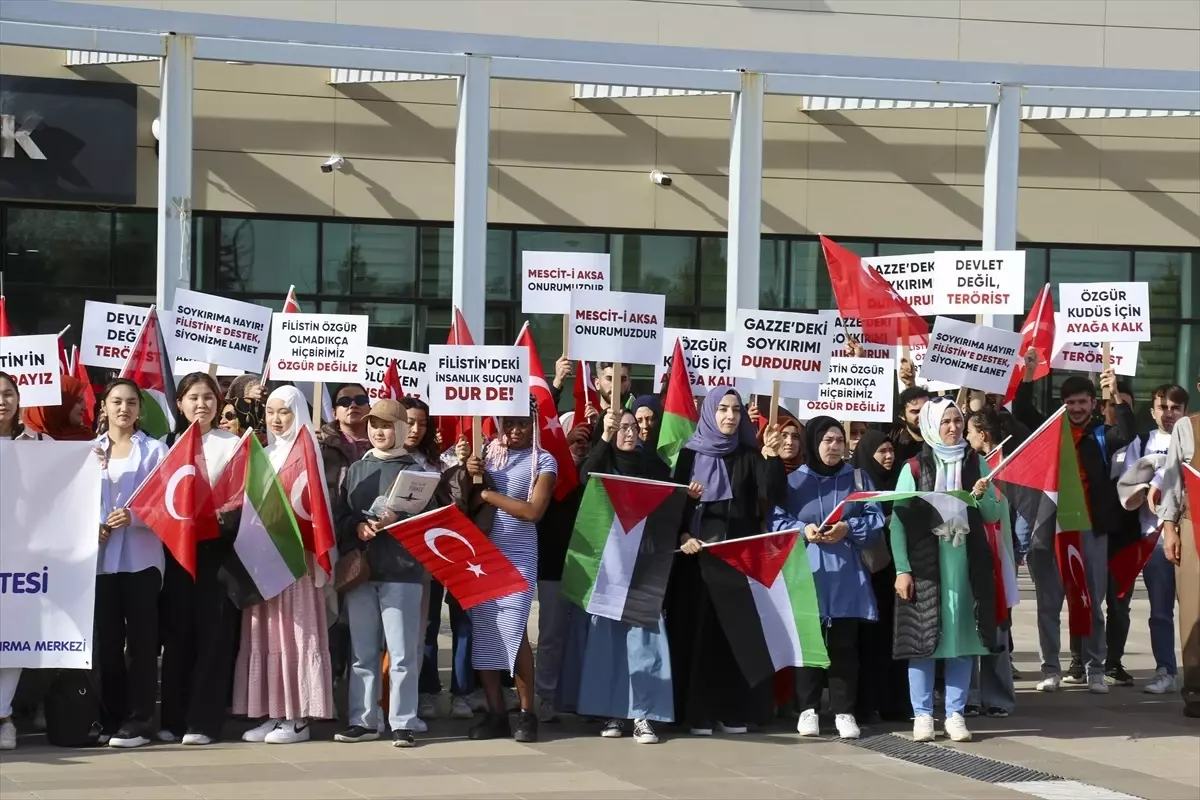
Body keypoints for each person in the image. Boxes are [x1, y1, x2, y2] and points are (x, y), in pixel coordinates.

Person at [558, 408, 696, 744]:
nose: (630, 433)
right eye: (621, 427)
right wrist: (604, 437)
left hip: (646, 567)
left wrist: (687, 502)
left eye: (633, 427)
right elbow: (585, 477)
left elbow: (671, 510)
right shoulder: (600, 463)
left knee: (645, 643)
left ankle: (644, 715)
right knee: (608, 645)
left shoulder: (655, 468)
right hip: (608, 570)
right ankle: (613, 713)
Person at [668, 388, 786, 736]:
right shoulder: (688, 456)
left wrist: (772, 459)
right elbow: (673, 507)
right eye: (722, 409)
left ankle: (730, 710)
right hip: (697, 561)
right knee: (699, 636)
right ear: (708, 413)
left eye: (735, 410)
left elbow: (771, 497)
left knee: (732, 637)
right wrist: (683, 535)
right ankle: (697, 713)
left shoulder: (749, 455)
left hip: (736, 560)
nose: (730, 416)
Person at [891, 398, 1000, 743]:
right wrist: (902, 569)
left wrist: (982, 496)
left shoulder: (976, 463)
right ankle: (922, 715)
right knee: (923, 641)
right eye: (945, 422)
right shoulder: (913, 468)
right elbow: (898, 522)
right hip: (926, 565)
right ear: (930, 427)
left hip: (966, 565)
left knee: (963, 640)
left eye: (957, 420)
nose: (953, 428)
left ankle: (955, 713)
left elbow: (994, 514)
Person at [770, 417, 884, 740]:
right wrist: (802, 531)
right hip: (808, 574)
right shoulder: (794, 482)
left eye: (838, 440)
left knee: (844, 646)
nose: (833, 447)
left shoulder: (858, 479)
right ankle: (808, 708)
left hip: (847, 577)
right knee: (808, 642)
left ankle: (844, 710)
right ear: (813, 443)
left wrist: (848, 528)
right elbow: (777, 522)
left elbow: (874, 519)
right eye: (827, 440)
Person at [234, 386, 334, 744]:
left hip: (296, 560)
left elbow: (314, 508)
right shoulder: (263, 452)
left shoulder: (307, 452)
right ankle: (274, 712)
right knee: (268, 633)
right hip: (264, 559)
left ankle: (299, 717)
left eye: (285, 413)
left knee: (296, 634)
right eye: (271, 412)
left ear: (299, 414)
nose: (276, 419)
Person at [1026, 372, 1135, 695]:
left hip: (1091, 530)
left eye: (1082, 402)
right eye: (1070, 402)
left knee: (1092, 602)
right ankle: (1050, 670)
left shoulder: (1101, 434)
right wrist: (1030, 374)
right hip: (1052, 530)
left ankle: (1096, 670)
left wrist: (1115, 394)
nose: (1076, 408)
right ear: (1063, 405)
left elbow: (1127, 432)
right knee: (1048, 604)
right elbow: (1021, 414)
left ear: (1093, 404)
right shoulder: (1049, 434)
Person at [333, 399, 432, 747]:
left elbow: (432, 521)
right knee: (362, 650)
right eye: (374, 424)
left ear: (402, 429)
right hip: (362, 571)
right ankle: (363, 720)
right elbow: (340, 515)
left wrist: (399, 520)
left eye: (387, 425)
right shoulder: (357, 468)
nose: (378, 431)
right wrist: (357, 526)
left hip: (403, 571)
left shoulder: (418, 472)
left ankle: (402, 720)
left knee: (403, 651)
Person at [464, 395, 557, 742]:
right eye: (509, 422)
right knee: (485, 634)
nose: (515, 429)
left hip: (518, 556)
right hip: (481, 558)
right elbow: (465, 503)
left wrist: (488, 495)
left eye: (522, 422)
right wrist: (468, 474)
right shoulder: (485, 454)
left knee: (514, 634)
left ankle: (526, 713)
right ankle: (495, 713)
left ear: (533, 423)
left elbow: (533, 511)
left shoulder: (543, 460)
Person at [158, 372, 242, 745]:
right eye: (193, 397)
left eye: (208, 397)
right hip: (174, 552)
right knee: (177, 635)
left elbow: (242, 498)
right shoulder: (165, 445)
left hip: (217, 552)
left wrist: (214, 515)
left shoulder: (233, 445)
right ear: (179, 403)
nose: (201, 404)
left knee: (214, 636)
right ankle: (172, 719)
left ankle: (203, 722)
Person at [92, 379, 169, 749]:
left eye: (131, 403)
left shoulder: (156, 451)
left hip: (141, 559)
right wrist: (90, 526)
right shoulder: (88, 452)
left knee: (141, 643)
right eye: (116, 402)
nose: (124, 409)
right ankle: (110, 716)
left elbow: (169, 503)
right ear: (103, 406)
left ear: (140, 409)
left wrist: (135, 515)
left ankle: (139, 720)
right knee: (107, 643)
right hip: (101, 562)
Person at [411, 397, 479, 721]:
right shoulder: (395, 458)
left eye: (422, 422)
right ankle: (426, 690)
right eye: (409, 421)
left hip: (455, 549)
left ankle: (462, 693)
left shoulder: (443, 459)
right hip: (419, 556)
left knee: (463, 624)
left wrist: (461, 468)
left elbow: (459, 501)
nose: (415, 428)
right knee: (427, 624)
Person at [1127, 384, 1189, 696]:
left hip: (1191, 535)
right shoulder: (1142, 443)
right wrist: (1147, 484)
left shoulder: (1193, 437)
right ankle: (1165, 670)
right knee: (1161, 612)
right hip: (1154, 540)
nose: (1168, 413)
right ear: (1152, 411)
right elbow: (1127, 489)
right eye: (1162, 407)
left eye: (1175, 407)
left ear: (1184, 411)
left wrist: (1161, 478)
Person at [0, 372, 49, 751]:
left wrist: (89, 459)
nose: (2, 401)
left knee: (13, 637)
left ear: (19, 399)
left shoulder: (40, 442)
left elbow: (63, 484)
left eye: (8, 394)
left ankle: (4, 718)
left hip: (23, 558)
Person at [531, 418, 591, 724]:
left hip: (589, 566)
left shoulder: (594, 471)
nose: (580, 444)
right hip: (553, 563)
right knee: (552, 634)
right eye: (574, 438)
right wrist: (562, 448)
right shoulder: (548, 470)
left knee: (584, 635)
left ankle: (583, 695)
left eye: (586, 439)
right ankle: (545, 695)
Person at [852, 430, 912, 724]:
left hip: (895, 573)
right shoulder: (858, 482)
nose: (889, 457)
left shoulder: (900, 482)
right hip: (867, 574)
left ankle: (895, 702)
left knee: (894, 638)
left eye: (891, 451)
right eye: (882, 452)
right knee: (869, 642)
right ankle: (866, 702)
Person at [963, 410, 1018, 719]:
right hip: (963, 556)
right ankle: (968, 695)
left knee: (996, 630)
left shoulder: (992, 466)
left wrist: (981, 496)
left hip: (994, 558)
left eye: (965, 428)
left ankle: (997, 696)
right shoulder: (954, 465)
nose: (961, 433)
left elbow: (995, 513)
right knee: (969, 629)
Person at [1155, 368, 1200, 718]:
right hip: (1193, 525)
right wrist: (1169, 527)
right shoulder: (1188, 427)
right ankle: (1196, 690)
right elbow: (1173, 480)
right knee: (1194, 610)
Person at [21, 375, 93, 441]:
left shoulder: (87, 439)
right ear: (60, 404)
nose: (85, 407)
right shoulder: (23, 438)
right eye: (78, 401)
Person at [890, 386, 933, 464]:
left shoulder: (943, 440)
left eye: (926, 410)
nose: (922, 415)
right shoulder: (894, 445)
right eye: (915, 411)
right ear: (902, 415)